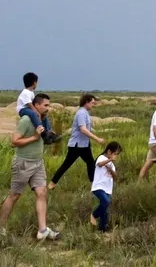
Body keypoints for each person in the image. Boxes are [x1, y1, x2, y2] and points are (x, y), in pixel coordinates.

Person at [0, 94, 61, 241]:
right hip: (23, 163)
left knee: (42, 192)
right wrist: (34, 137)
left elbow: (42, 139)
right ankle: (1, 227)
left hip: (38, 163)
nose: (48, 108)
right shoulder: (27, 120)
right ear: (36, 105)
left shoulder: (43, 121)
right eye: (45, 105)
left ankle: (42, 230)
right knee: (14, 195)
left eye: (49, 105)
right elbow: (14, 141)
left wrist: (48, 137)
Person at [48, 93, 105, 190]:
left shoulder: (85, 112)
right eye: (92, 103)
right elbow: (83, 129)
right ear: (86, 102)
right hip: (77, 145)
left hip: (83, 145)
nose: (93, 105)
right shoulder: (81, 113)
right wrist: (97, 138)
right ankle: (52, 183)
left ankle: (94, 185)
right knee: (68, 164)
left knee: (90, 163)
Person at [90, 141, 122, 234]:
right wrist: (109, 160)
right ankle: (93, 215)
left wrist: (110, 168)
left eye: (117, 154)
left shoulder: (111, 164)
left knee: (105, 210)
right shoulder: (101, 158)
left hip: (107, 188)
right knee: (106, 201)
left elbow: (115, 176)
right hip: (99, 187)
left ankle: (102, 229)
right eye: (114, 153)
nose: (115, 156)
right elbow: (99, 164)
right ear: (109, 151)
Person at [16, 72, 54, 143]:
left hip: (28, 109)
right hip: (22, 109)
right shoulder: (25, 92)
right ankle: (41, 129)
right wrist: (37, 112)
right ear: (34, 83)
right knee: (34, 114)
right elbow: (30, 104)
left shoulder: (31, 93)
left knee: (45, 117)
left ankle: (48, 131)